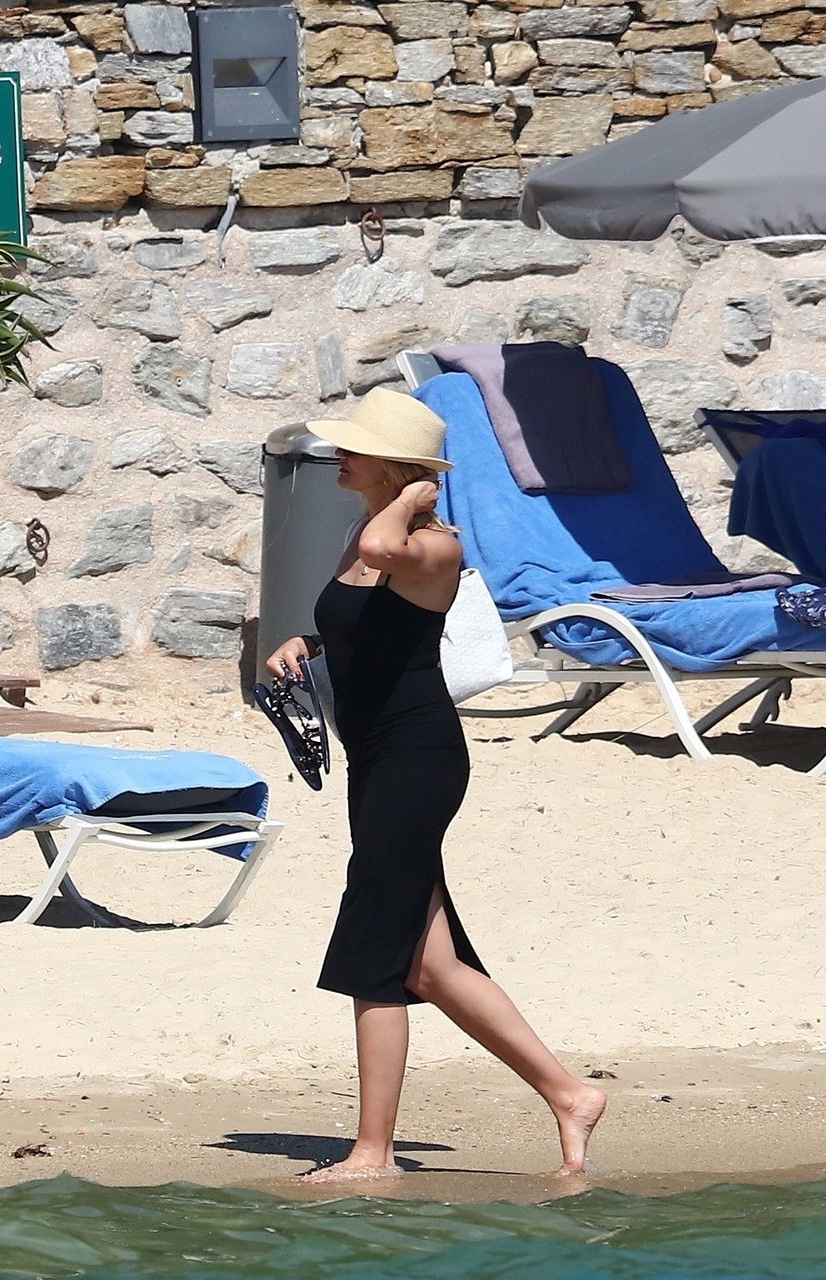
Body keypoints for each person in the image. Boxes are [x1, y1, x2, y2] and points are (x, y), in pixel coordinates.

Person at [263, 387, 606, 1183]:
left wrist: (417, 498)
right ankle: (570, 1095)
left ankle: (374, 1152)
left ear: (396, 468)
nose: (337, 456)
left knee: (375, 951)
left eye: (353, 448)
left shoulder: (431, 546)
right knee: (429, 965)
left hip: (418, 759)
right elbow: (369, 622)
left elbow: (387, 552)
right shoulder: (365, 534)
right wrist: (307, 642)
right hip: (376, 759)